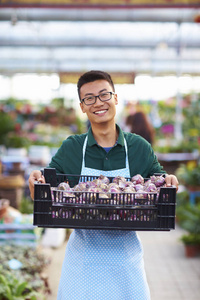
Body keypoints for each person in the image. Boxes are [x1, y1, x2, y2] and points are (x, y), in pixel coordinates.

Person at [29, 70, 179, 300]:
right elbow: (44, 191)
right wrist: (35, 182)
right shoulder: (72, 147)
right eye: (89, 98)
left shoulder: (138, 147)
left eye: (104, 95)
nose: (98, 103)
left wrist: (169, 181)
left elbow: (159, 183)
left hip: (126, 260)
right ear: (82, 106)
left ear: (116, 98)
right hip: (83, 260)